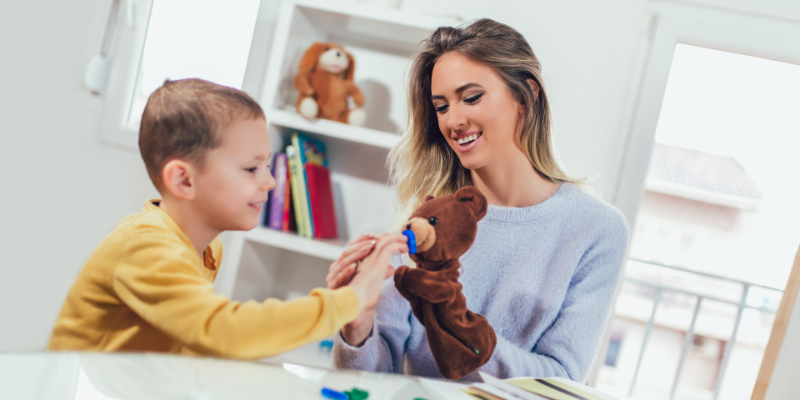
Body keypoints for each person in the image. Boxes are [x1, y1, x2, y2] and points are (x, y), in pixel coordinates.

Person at [328, 19, 629, 382]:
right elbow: (371, 381)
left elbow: (561, 379)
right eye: (441, 107)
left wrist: (468, 336)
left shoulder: (596, 229)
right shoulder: (425, 226)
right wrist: (356, 328)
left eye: (471, 98)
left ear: (525, 96)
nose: (454, 120)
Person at [48, 78, 408, 358]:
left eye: (265, 165)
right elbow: (224, 332)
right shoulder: (146, 246)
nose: (269, 181)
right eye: (251, 168)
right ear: (183, 180)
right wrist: (351, 301)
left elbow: (190, 339)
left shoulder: (206, 247)